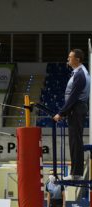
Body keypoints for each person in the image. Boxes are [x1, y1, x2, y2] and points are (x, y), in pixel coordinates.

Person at [53, 49, 90, 180]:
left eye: (70, 57)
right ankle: (76, 173)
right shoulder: (78, 73)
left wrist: (61, 113)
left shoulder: (80, 74)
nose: (68, 59)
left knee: (75, 140)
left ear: (77, 59)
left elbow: (73, 96)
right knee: (74, 140)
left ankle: (76, 174)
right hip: (76, 108)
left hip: (77, 108)